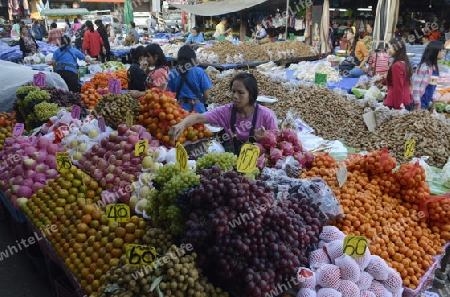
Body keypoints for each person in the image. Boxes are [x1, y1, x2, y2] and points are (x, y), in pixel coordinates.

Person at [168, 72, 278, 154]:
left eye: (241, 93)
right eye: (233, 91)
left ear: (251, 94)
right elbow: (197, 118)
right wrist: (181, 124)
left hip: (261, 163)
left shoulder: (265, 115)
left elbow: (277, 143)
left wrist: (266, 137)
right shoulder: (226, 111)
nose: (235, 96)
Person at [167, 45, 212, 114]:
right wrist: (203, 102)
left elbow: (171, 94)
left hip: (180, 110)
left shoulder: (173, 73)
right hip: (198, 109)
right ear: (193, 58)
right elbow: (206, 95)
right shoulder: (199, 71)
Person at [412, 41, 444, 111]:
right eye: (441, 51)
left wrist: (434, 102)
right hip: (420, 101)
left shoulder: (435, 68)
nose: (443, 53)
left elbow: (433, 87)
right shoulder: (424, 67)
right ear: (434, 52)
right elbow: (416, 85)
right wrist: (417, 103)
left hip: (426, 101)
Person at [383, 38, 414, 110]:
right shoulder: (406, 62)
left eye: (389, 48)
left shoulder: (397, 65)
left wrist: (398, 108)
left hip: (397, 102)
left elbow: (398, 88)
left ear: (396, 49)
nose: (388, 50)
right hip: (406, 100)